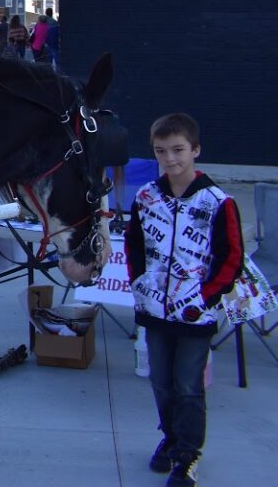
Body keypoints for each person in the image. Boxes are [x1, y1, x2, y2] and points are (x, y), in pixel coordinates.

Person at [125, 113, 244, 487]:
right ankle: (171, 439)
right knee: (160, 381)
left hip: (195, 314)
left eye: (178, 150)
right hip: (154, 310)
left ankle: (188, 454)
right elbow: (134, 245)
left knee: (187, 385)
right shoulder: (146, 198)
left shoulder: (218, 202)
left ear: (195, 150)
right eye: (161, 151)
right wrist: (140, 283)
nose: (170, 159)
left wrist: (206, 297)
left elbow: (232, 257)